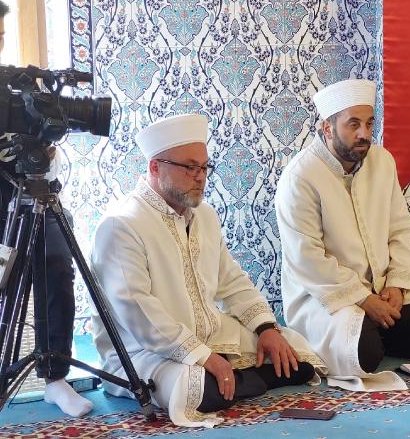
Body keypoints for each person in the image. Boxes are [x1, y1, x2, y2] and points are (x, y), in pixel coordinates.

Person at [90, 114, 325, 427]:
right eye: (189, 167)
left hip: (211, 334)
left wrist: (266, 328)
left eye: (204, 167)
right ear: (155, 167)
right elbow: (139, 314)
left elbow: (232, 280)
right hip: (143, 352)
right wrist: (202, 356)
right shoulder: (121, 225)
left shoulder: (204, 216)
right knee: (198, 389)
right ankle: (235, 378)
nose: (200, 177)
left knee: (297, 358)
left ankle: (236, 378)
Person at [275, 79, 410, 391]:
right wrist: (363, 299)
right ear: (327, 128)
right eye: (353, 124)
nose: (364, 134)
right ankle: (372, 332)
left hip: (383, 290)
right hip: (329, 297)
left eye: (369, 123)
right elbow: (307, 259)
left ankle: (378, 328)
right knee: (363, 355)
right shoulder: (300, 177)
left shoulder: (381, 162)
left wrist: (396, 285)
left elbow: (400, 229)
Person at [0, 0, 93, 417]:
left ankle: (55, 377)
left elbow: (45, 150)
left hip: (31, 195)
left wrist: (46, 141)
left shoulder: (20, 86)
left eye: (1, 37)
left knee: (57, 263)